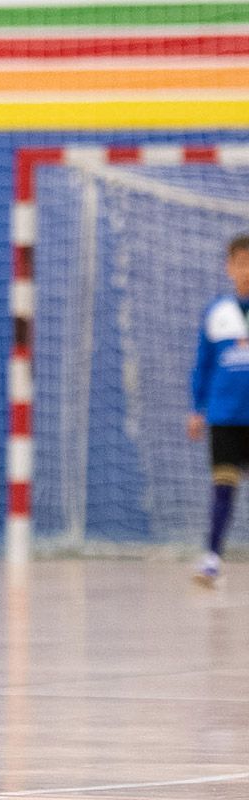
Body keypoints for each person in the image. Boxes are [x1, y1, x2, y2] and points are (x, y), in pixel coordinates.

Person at [188, 233, 249, 588]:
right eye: (241, 263)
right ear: (229, 268)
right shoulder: (217, 313)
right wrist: (197, 409)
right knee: (223, 486)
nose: (247, 270)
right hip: (226, 417)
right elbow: (203, 365)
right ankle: (212, 557)